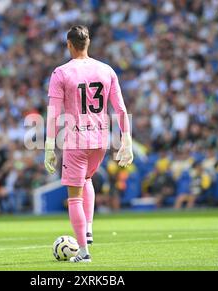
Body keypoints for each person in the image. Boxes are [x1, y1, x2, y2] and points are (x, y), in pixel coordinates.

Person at [44, 25, 133, 263]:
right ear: (88, 42)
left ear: (69, 44)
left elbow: (54, 113)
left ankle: (83, 252)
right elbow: (121, 109)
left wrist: (49, 147)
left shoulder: (61, 73)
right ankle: (89, 229)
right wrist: (127, 141)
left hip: (76, 141)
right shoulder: (106, 70)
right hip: (100, 141)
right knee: (87, 180)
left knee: (74, 196)